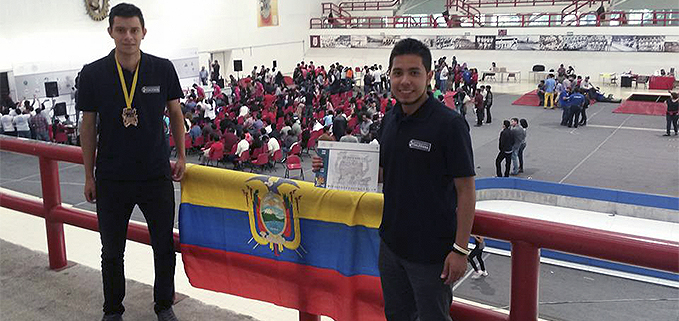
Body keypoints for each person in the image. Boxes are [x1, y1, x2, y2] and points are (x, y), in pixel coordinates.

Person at [316, 38, 476, 321]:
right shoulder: (391, 119)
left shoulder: (449, 125)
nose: (405, 81)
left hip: (431, 254)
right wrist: (329, 167)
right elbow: (381, 173)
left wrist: (460, 250)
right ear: (389, 75)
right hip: (391, 246)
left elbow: (466, 190)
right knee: (397, 316)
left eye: (414, 72)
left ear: (429, 76)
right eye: (398, 72)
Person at [76, 4, 186, 321]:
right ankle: (113, 311)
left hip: (155, 175)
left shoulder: (162, 69)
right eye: (121, 30)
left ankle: (164, 306)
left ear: (143, 32)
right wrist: (88, 175)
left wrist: (180, 155)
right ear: (110, 31)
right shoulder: (93, 73)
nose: (128, 37)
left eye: (133, 30)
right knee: (112, 252)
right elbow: (88, 125)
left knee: (164, 248)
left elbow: (176, 114)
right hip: (111, 178)